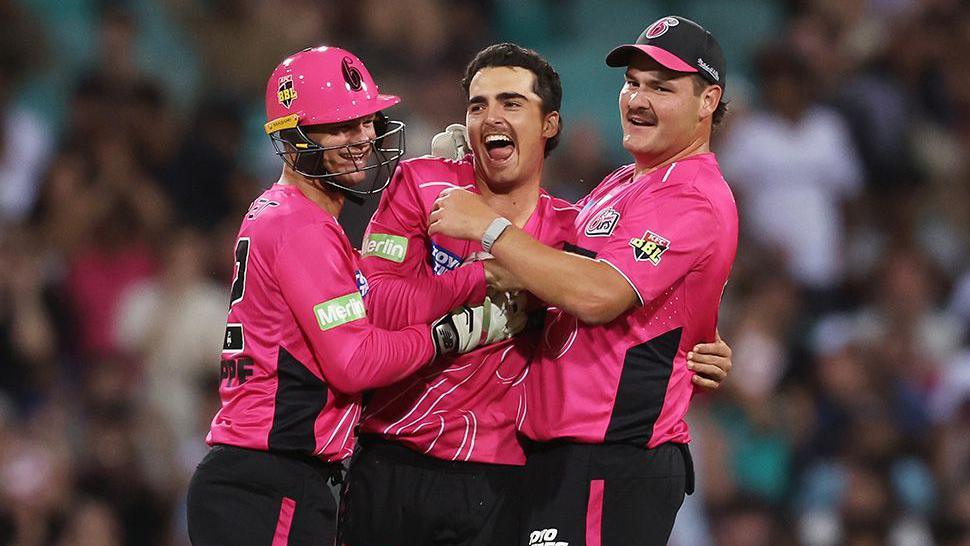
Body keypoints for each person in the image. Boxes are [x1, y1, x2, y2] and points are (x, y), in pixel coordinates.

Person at [339, 42, 734, 546]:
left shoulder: (579, 220)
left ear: (549, 125)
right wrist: (482, 277)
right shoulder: (426, 184)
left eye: (511, 103)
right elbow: (377, 308)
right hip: (395, 457)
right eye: (478, 105)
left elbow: (599, 290)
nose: (491, 117)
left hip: (515, 473)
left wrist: (698, 343)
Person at [185, 46, 524, 546]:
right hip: (267, 481)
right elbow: (356, 362)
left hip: (266, 479)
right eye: (342, 126)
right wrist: (450, 336)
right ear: (295, 139)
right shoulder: (301, 228)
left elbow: (380, 311)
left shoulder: (296, 218)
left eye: (367, 121)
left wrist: (477, 278)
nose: (364, 137)